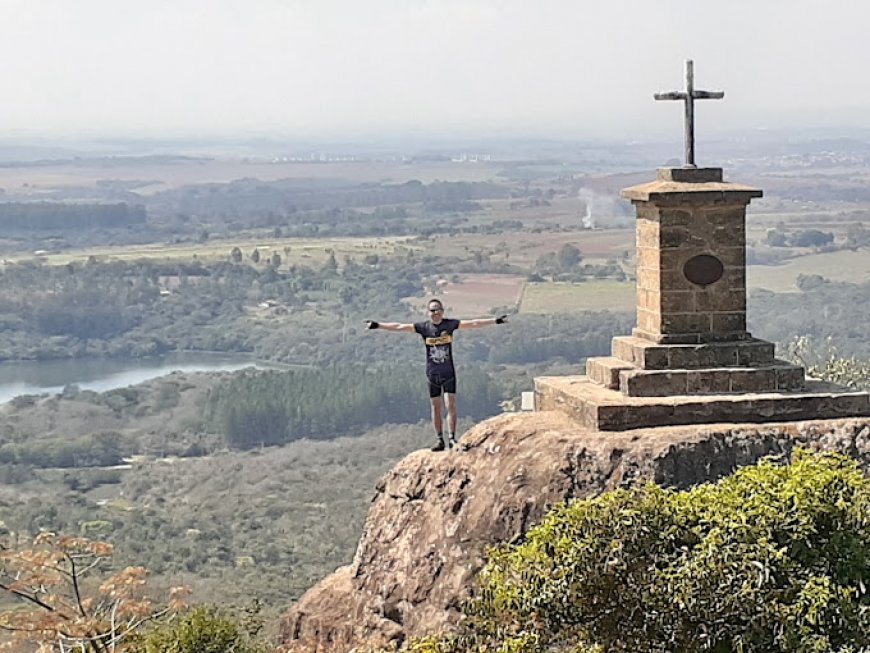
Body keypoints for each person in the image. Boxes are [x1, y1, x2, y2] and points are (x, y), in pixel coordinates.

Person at [366, 298, 508, 451]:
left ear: (442, 311)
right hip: (432, 374)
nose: (435, 313)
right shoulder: (424, 327)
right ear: (428, 312)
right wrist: (378, 325)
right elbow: (400, 326)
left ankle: (452, 438)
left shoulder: (450, 325)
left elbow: (473, 323)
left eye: (437, 309)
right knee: (436, 407)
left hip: (448, 373)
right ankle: (440, 439)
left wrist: (496, 321)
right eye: (432, 310)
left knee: (450, 405)